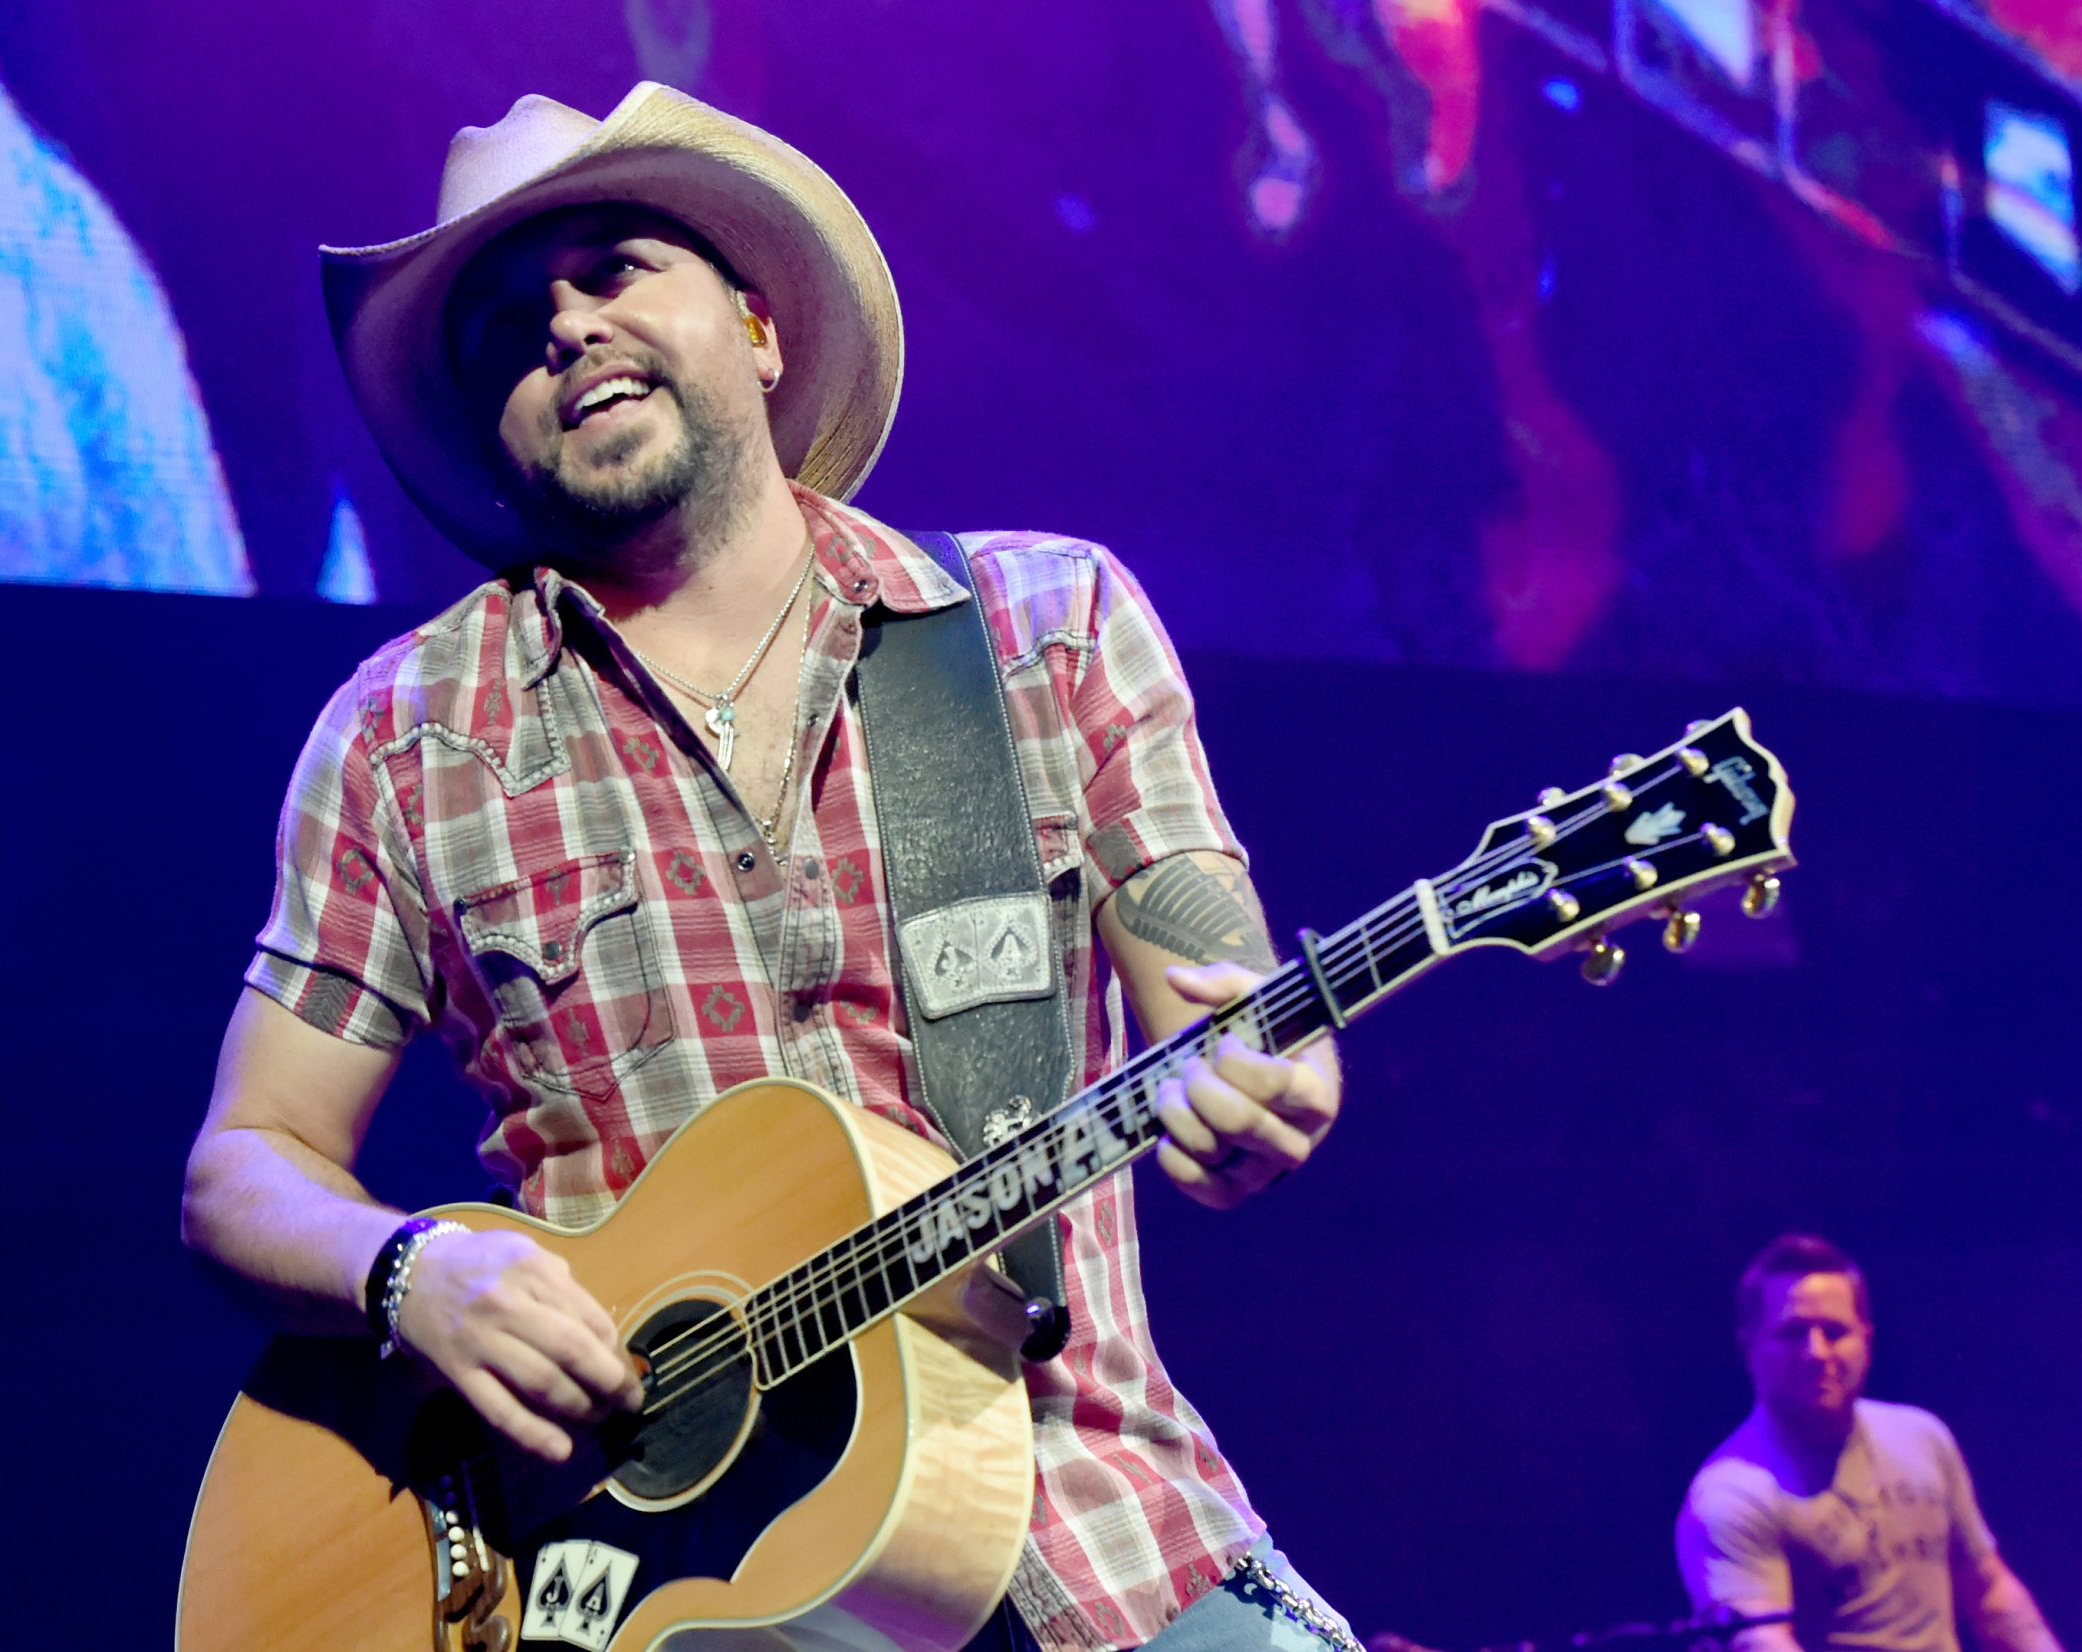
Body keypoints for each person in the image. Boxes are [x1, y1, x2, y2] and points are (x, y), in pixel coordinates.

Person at [180, 82, 1353, 1652]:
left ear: (760, 329)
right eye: (509, 325)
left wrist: (1269, 1068)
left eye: (615, 270)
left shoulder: (1041, 626)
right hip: (662, 1587)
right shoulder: (408, 736)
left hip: (1103, 1528)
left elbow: (1222, 989)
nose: (568, 328)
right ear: (489, 429)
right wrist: (412, 1274)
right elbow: (243, 1166)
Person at [1675, 1235, 2064, 1652]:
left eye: (1835, 1331)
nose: (1816, 1352)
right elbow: (1761, 1641)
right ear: (1749, 1347)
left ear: (1866, 1339)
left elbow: (1989, 1592)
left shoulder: (1922, 1438)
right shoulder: (1730, 1498)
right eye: (1792, 1333)